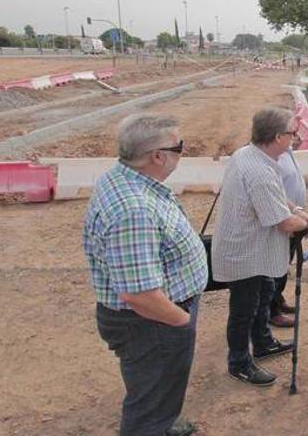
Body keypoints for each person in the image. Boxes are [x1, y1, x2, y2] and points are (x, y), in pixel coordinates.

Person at [83, 114, 205, 436]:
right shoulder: (134, 210)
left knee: (157, 389)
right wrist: (181, 321)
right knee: (149, 402)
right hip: (153, 323)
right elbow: (139, 296)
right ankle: (155, 425)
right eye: (180, 146)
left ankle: (164, 422)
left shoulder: (127, 179)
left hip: (153, 321)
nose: (182, 152)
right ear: (158, 156)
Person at [212, 108, 308, 387]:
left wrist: (301, 213)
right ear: (279, 136)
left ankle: (262, 342)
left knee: (264, 295)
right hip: (246, 252)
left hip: (257, 249)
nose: (296, 138)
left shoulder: (250, 154)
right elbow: (282, 222)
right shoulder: (258, 170)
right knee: (243, 309)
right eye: (294, 133)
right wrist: (306, 225)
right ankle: (239, 363)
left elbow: (279, 199)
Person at [269, 144, 308, 328]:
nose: (295, 134)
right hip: (282, 219)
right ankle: (272, 311)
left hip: (293, 216)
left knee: (284, 263)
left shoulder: (287, 150)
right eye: (291, 131)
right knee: (276, 266)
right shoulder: (272, 156)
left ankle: (278, 298)